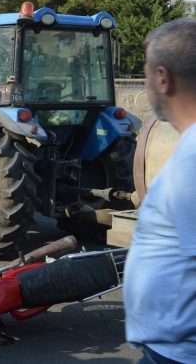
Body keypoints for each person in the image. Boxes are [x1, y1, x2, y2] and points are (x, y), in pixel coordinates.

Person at [124, 19, 196, 364]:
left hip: (177, 354)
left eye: (146, 73)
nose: (146, 82)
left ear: (163, 78)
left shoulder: (193, 160)